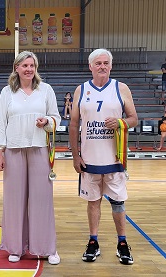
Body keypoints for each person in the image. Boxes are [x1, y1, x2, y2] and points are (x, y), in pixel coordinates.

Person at [69, 49, 138, 265]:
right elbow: (73, 125)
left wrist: (120, 123)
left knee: (118, 203)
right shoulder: (81, 89)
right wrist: (75, 155)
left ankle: (123, 243)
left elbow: (134, 118)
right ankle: (93, 241)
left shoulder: (121, 88)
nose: (102, 66)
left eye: (106, 63)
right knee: (93, 202)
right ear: (90, 66)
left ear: (111, 65)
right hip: (89, 159)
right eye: (98, 63)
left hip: (115, 159)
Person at [0, 51, 61, 264]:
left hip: (39, 147)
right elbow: (1, 123)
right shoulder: (7, 92)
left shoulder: (46, 90)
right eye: (24, 65)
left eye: (32, 65)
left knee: (42, 199)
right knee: (14, 201)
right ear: (16, 68)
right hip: (13, 149)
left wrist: (47, 121)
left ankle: (47, 248)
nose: (29, 69)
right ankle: (16, 247)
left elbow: (56, 118)